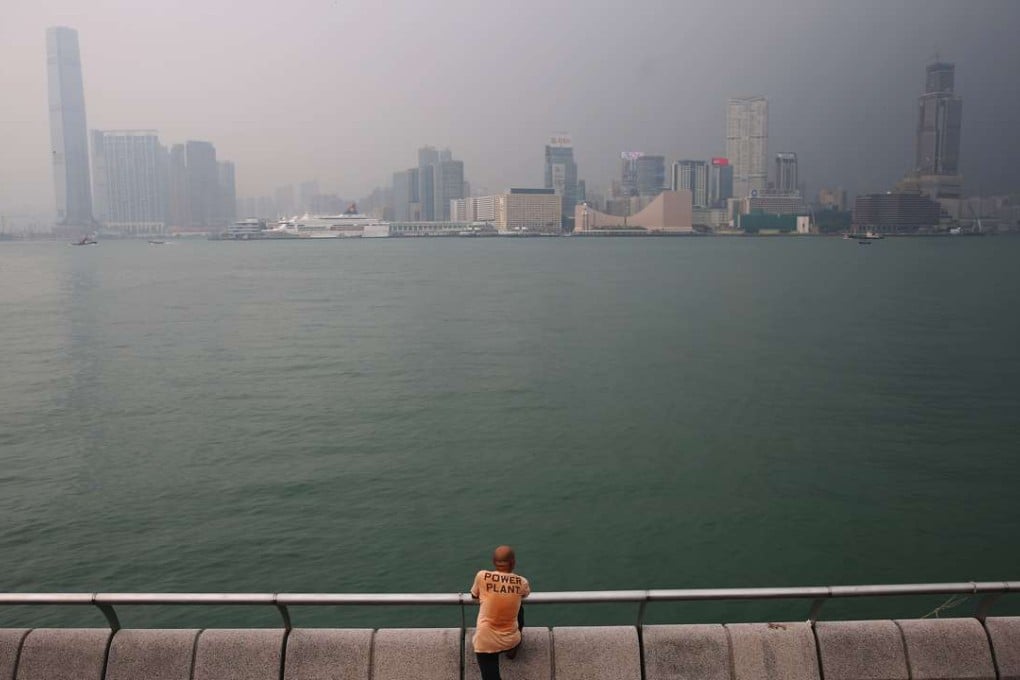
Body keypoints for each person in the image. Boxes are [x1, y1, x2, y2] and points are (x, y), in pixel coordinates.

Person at [470, 545, 530, 680]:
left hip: (486, 641)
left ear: (493, 562)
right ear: (513, 563)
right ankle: (513, 650)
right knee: (519, 608)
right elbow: (524, 595)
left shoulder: (482, 576)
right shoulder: (521, 582)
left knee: (490, 675)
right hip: (511, 640)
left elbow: (474, 595)